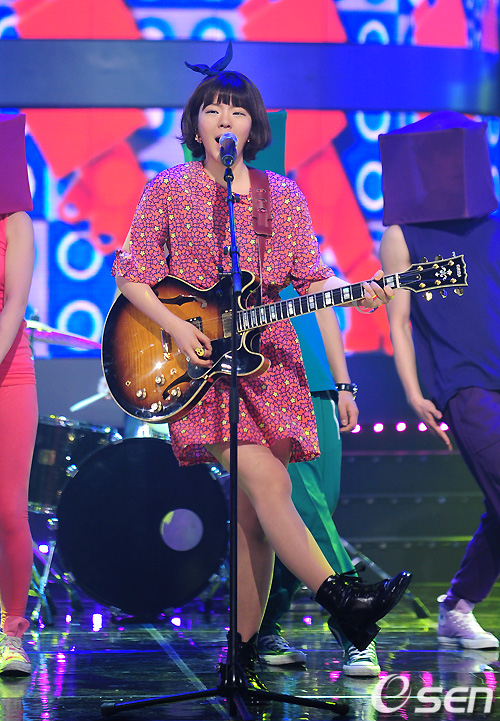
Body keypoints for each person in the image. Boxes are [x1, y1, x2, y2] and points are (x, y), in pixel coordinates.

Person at [111, 45, 412, 691]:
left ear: (253, 127)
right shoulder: (167, 189)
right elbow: (131, 274)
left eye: (237, 110)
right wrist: (177, 326)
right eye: (213, 109)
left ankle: (241, 657)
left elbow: (310, 278)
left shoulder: (284, 196)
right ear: (195, 125)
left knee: (256, 520)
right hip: (194, 368)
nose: (225, 118)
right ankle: (345, 599)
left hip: (270, 364)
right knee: (272, 485)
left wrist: (358, 293)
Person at [379, 110, 500, 650]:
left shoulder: (492, 226)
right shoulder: (402, 236)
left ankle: (457, 605)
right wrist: (412, 391)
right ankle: (458, 606)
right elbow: (399, 323)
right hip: (462, 382)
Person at [257, 287, 380, 677]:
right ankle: (354, 623)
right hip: (266, 377)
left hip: (318, 380)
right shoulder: (237, 249)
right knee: (305, 508)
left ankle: (263, 625)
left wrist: (343, 385)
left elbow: (324, 307)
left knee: (320, 505)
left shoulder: (299, 249)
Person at [0, 113, 37, 675]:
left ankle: (11, 632)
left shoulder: (16, 221)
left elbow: (14, 304)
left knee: (8, 509)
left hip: (9, 370)